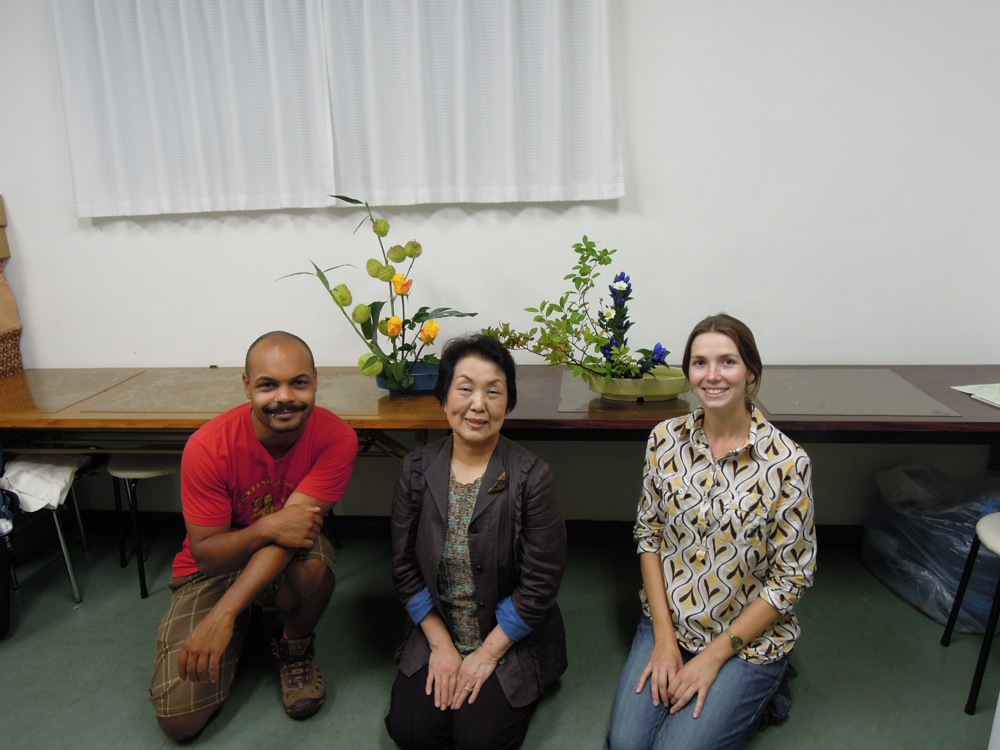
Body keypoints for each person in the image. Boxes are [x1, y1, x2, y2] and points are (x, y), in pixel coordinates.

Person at [607, 314, 817, 750]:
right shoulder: (664, 439)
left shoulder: (788, 463)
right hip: (670, 619)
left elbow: (790, 579)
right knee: (626, 744)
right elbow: (649, 536)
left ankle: (765, 693)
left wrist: (713, 658)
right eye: (700, 363)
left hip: (745, 638)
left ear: (751, 372)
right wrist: (663, 640)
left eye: (728, 362)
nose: (713, 375)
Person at [148, 331, 359, 741]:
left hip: (284, 555)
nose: (285, 397)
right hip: (215, 567)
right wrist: (264, 527)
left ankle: (295, 648)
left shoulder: (336, 438)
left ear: (316, 380)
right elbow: (207, 555)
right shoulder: (207, 446)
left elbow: (293, 532)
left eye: (299, 382)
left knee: (313, 562)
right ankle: (244, 623)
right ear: (247, 386)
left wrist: (223, 614)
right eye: (267, 385)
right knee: (179, 723)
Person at [385, 334, 567, 750]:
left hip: (507, 635)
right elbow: (404, 568)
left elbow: (540, 586)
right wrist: (440, 645)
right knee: (412, 732)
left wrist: (486, 654)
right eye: (465, 388)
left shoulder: (532, 477)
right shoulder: (416, 469)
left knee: (478, 740)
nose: (478, 405)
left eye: (493, 391)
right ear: (444, 396)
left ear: (508, 402)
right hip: (440, 624)